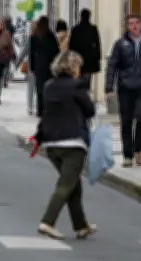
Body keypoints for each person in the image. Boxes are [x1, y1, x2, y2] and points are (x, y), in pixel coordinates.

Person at [32, 50, 97, 240]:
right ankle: (47, 222)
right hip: (73, 143)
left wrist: (39, 137)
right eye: (78, 66)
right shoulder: (77, 86)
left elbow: (46, 113)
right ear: (73, 67)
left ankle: (81, 226)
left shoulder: (49, 86)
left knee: (73, 184)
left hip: (52, 144)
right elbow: (90, 110)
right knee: (66, 184)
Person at [105, 14, 141, 168]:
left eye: (137, 22)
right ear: (127, 26)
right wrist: (109, 87)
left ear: (140, 24)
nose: (135, 26)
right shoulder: (120, 44)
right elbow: (112, 65)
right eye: (131, 23)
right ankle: (127, 155)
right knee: (126, 121)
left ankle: (138, 150)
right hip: (125, 87)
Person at [30, 16, 60, 117]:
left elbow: (31, 53)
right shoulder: (51, 36)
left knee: (39, 89)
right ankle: (48, 109)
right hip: (50, 65)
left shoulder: (34, 36)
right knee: (49, 88)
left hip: (39, 65)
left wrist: (32, 67)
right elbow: (57, 52)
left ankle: (40, 110)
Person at [69, 9, 101, 91]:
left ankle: (79, 95)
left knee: (77, 78)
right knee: (87, 81)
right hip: (89, 58)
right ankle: (85, 95)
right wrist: (97, 57)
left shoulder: (75, 29)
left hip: (78, 58)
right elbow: (97, 44)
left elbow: (71, 46)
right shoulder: (93, 29)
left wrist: (71, 58)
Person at [15, 21, 38, 115]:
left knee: (31, 87)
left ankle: (30, 107)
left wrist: (17, 63)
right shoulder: (45, 38)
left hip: (32, 66)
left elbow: (23, 52)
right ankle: (38, 106)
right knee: (39, 87)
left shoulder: (30, 39)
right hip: (42, 67)